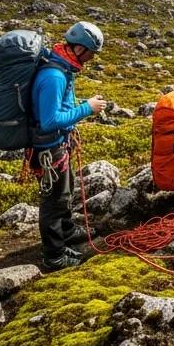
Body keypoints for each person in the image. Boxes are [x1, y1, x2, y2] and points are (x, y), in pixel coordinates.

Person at [29, 21, 109, 271]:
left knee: (66, 189)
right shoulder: (54, 76)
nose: (91, 59)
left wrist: (82, 105)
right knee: (53, 201)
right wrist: (87, 108)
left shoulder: (63, 68)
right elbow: (49, 120)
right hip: (48, 148)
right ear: (79, 49)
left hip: (58, 145)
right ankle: (54, 256)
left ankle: (67, 230)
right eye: (91, 54)